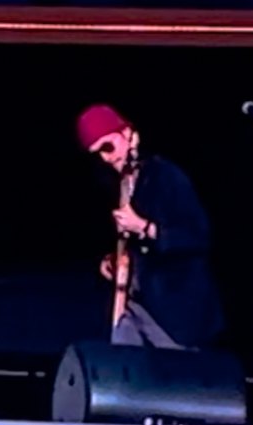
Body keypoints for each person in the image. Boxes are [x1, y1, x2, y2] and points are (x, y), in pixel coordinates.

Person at [76, 104, 222, 349]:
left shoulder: (165, 176)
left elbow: (198, 236)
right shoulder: (115, 185)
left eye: (108, 147)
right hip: (132, 305)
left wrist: (145, 228)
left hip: (173, 311)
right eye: (97, 153)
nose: (106, 157)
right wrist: (111, 261)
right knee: (123, 375)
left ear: (128, 134)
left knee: (175, 381)